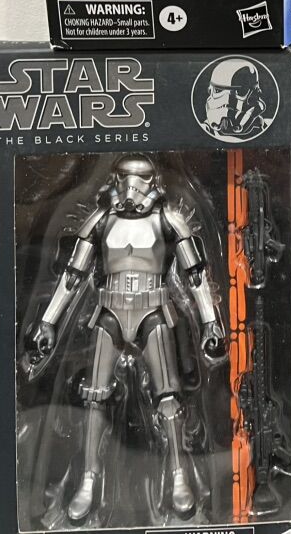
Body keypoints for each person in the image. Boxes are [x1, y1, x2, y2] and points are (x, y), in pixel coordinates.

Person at [29, 155, 226, 521]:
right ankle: (89, 479)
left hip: (154, 311)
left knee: (168, 397)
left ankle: (178, 476)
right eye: (125, 177)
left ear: (153, 182)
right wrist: (48, 322)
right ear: (115, 179)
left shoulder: (169, 220)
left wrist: (210, 322)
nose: (132, 187)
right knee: (94, 396)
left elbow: (196, 276)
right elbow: (72, 276)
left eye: (141, 178)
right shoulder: (100, 221)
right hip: (109, 312)